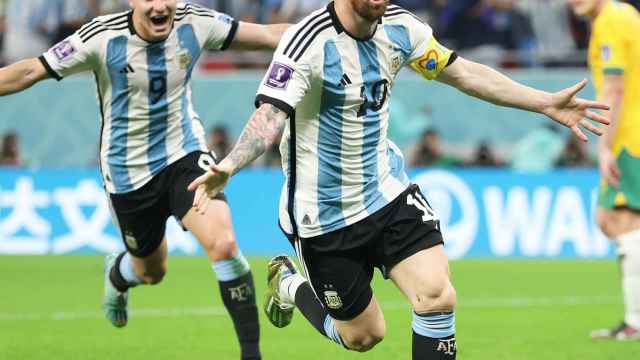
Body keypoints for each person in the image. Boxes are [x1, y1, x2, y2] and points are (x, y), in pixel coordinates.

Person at [189, 1, 609, 358]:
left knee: (437, 295)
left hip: (386, 193)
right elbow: (270, 116)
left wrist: (543, 103)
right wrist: (230, 165)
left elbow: (462, 73)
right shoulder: (308, 43)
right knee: (363, 336)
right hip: (324, 216)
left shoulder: (400, 28)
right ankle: (290, 284)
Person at [0, 1, 288, 359]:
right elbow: (31, 70)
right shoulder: (101, 37)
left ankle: (251, 354)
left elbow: (266, 34)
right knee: (152, 271)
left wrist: (325, 33)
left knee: (224, 244)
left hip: (183, 156)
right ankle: (119, 275)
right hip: (128, 174)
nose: (159, 5)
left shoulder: (196, 22)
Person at [569, 0, 640, 340]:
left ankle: (635, 322)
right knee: (613, 218)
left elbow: (615, 87)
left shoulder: (611, 20)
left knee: (619, 219)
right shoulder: (623, 15)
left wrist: (605, 145)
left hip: (629, 138)